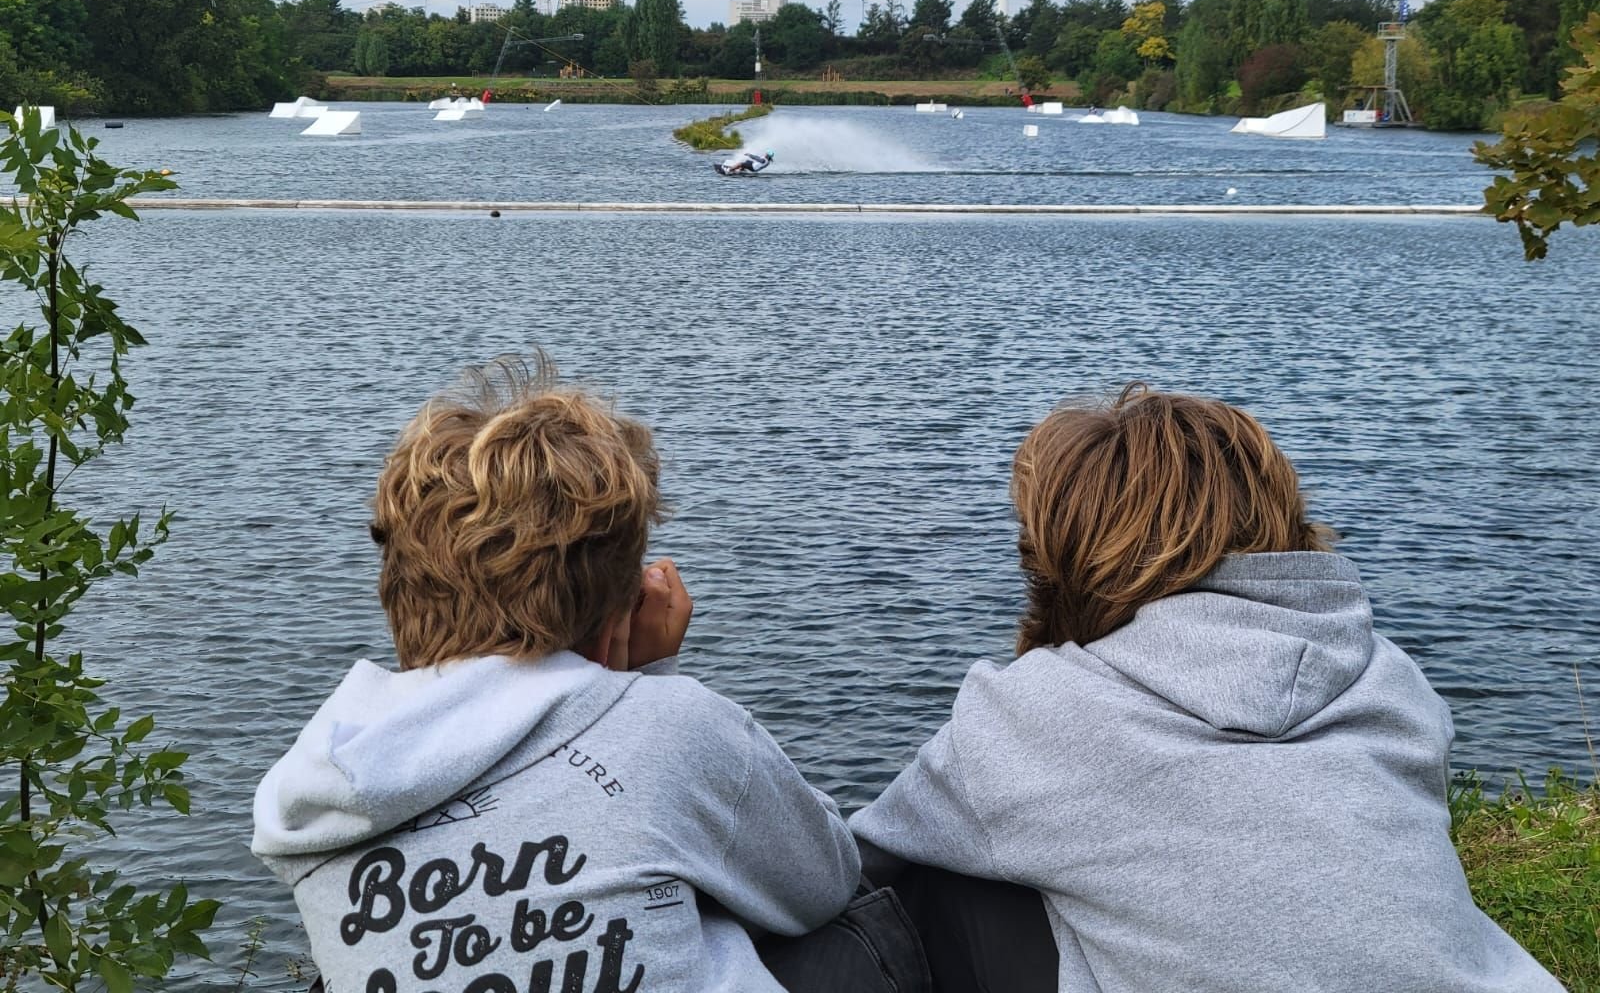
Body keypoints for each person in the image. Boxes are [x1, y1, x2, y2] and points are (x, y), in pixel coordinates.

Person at [851, 384, 1564, 992]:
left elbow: (841, 870)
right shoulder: (1389, 675)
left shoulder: (1030, 715)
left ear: (1058, 555)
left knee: (918, 894)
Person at [252, 355, 862, 993]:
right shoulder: (674, 727)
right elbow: (822, 884)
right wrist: (646, 683)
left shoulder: (320, 781)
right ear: (618, 607)